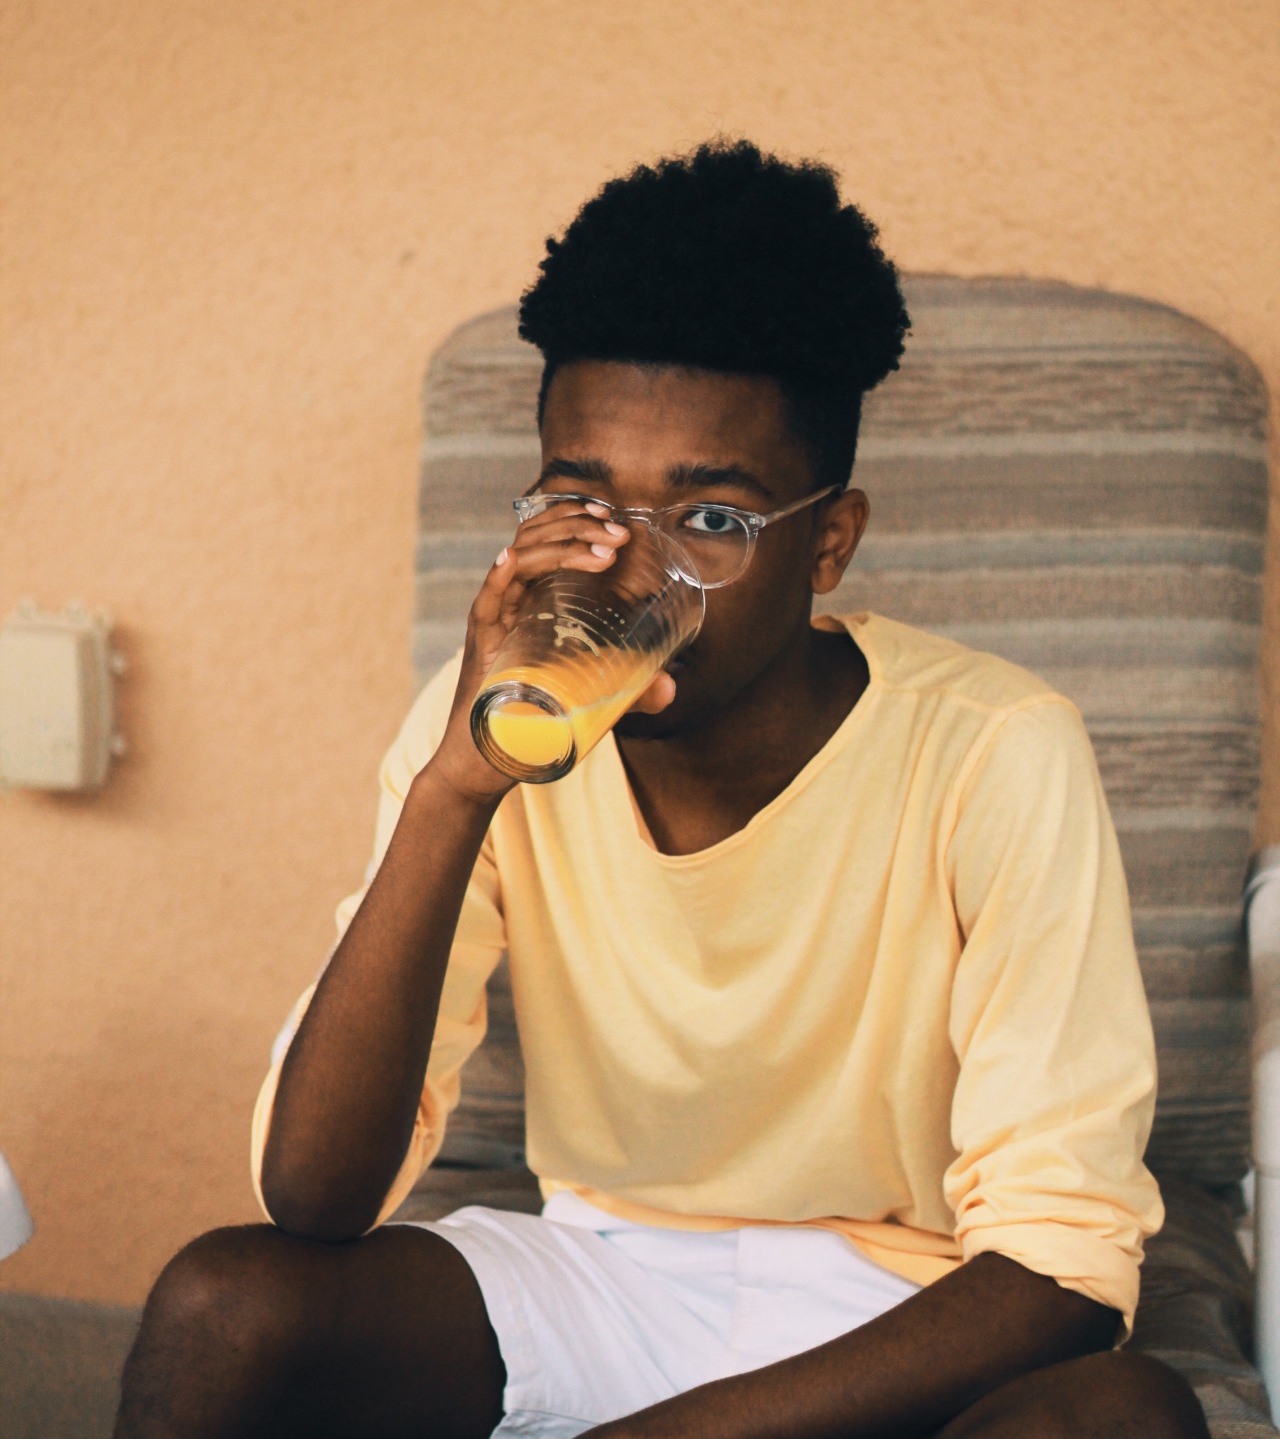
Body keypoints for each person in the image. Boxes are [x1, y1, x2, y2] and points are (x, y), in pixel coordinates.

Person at [114, 142, 1209, 1439]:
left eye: (712, 521)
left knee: (1125, 1418)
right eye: (583, 498)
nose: (630, 572)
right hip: (608, 1273)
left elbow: (1065, 1270)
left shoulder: (994, 748)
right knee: (223, 1303)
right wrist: (456, 791)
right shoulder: (494, 728)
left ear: (830, 542)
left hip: (903, 1299)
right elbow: (312, 1196)